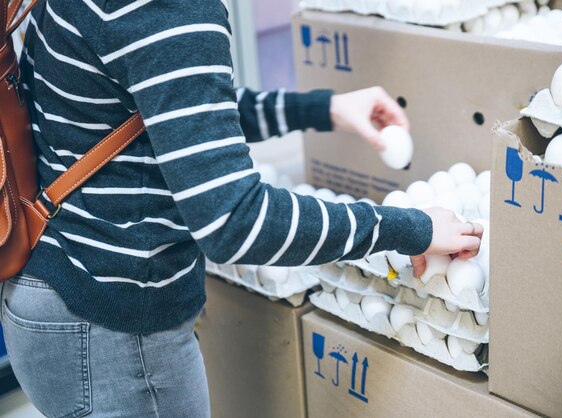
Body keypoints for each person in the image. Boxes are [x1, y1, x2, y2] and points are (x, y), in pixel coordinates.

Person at [0, 1, 483, 417]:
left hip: (55, 287)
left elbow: (174, 113)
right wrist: (410, 229)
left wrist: (322, 109)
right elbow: (235, 221)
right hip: (114, 332)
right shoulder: (167, 10)